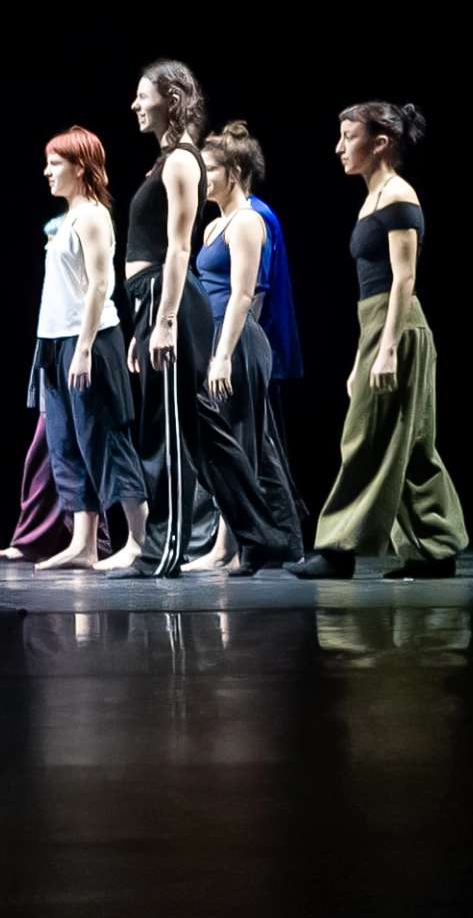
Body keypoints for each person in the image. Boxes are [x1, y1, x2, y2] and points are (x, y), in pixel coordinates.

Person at [291, 101, 467, 579]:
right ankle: (435, 549)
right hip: (379, 325)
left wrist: (387, 347)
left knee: (363, 437)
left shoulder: (398, 195)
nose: (339, 147)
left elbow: (404, 277)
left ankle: (337, 550)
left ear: (381, 143)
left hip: (399, 327)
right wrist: (361, 357)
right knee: (413, 446)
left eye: (349, 137)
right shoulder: (373, 199)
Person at [127, 62, 274, 573]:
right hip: (154, 301)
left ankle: (163, 549)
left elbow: (178, 247)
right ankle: (264, 535)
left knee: (167, 434)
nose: (135, 105)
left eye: (143, 95)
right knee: (201, 432)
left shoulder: (182, 162)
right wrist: (145, 324)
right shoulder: (167, 161)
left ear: (171, 99)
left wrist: (165, 320)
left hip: (167, 300)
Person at [27, 129, 153, 572]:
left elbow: (101, 285)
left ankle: (140, 541)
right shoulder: (68, 219)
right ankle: (84, 544)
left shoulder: (93, 216)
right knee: (66, 444)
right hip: (56, 341)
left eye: (55, 163)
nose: (47, 172)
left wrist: (83, 348)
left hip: (91, 341)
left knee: (106, 441)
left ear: (80, 167)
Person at [193, 124, 307, 574]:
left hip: (237, 341)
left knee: (243, 443)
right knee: (253, 443)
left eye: (210, 170)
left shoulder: (246, 221)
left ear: (235, 172)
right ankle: (280, 542)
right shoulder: (213, 225)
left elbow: (244, 294)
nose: (203, 179)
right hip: (216, 337)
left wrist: (223, 355)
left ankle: (252, 545)